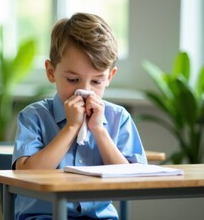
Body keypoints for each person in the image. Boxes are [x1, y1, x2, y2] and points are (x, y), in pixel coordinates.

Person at [12, 12, 147, 220]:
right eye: (73, 79)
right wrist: (70, 128)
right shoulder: (34, 117)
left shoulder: (118, 118)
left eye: (96, 82)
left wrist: (99, 131)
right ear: (51, 72)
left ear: (110, 77)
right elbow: (26, 175)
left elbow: (132, 179)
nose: (84, 91)